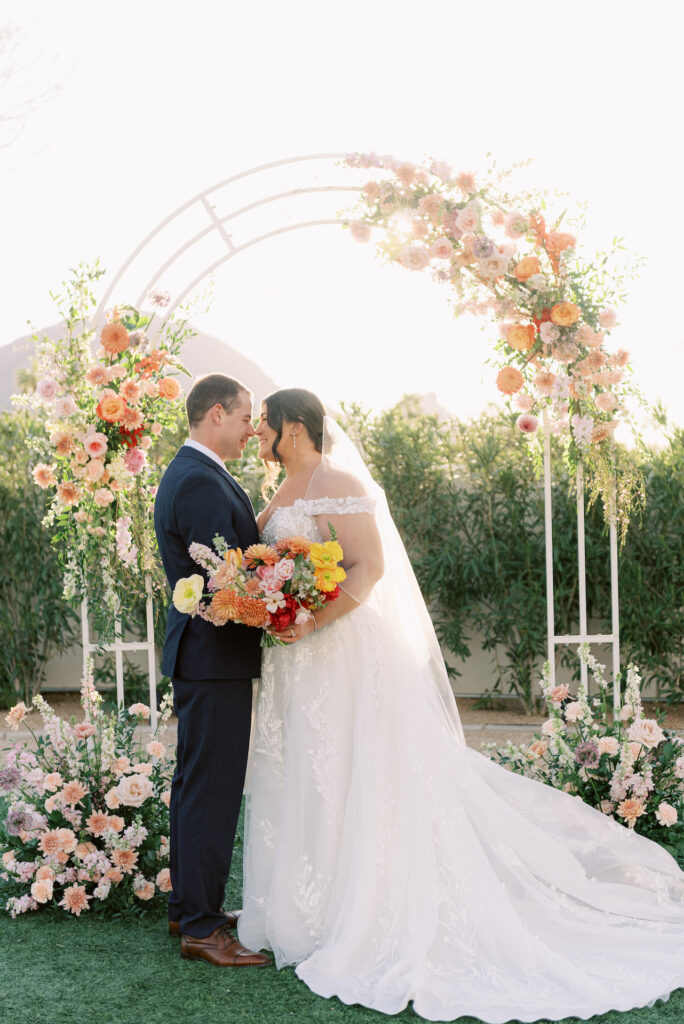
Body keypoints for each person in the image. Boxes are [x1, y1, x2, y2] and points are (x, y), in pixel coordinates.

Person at [238, 387, 684, 1022]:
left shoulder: (336, 480)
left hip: (337, 651)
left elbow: (368, 568)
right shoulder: (282, 487)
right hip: (296, 659)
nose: (260, 432)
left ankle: (364, 907)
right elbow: (276, 561)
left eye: (267, 424)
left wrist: (312, 620)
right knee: (311, 770)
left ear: (295, 426)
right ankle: (305, 909)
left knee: (355, 769)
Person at [153, 373, 269, 967]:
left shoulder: (195, 471)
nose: (253, 428)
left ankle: (189, 909)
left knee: (196, 785)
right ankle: (202, 928)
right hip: (212, 657)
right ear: (217, 413)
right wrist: (281, 595)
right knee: (211, 791)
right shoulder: (198, 480)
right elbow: (226, 578)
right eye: (247, 417)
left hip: (205, 658)